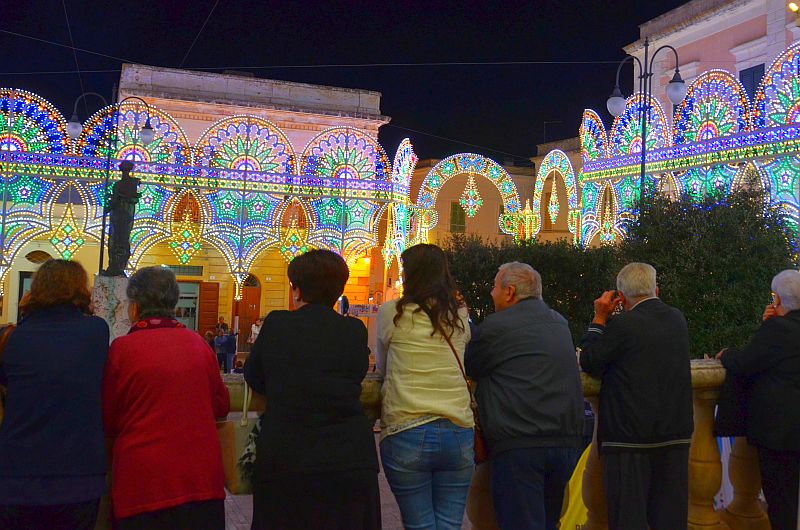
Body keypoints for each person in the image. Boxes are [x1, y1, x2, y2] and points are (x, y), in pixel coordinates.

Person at [244, 249, 380, 529]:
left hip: (287, 454)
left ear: (296, 290)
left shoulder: (278, 324)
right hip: (348, 455)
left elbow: (253, 376)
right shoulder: (353, 330)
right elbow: (356, 374)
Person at [102, 266, 230, 530]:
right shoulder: (199, 345)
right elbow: (221, 405)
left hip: (143, 485)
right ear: (173, 303)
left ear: (135, 307)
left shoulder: (122, 350)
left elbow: (109, 417)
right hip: (200, 482)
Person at [465, 262, 584, 530]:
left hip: (519, 444)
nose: (491, 293)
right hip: (565, 440)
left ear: (509, 292)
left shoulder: (496, 327)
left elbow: (471, 364)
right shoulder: (560, 323)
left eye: (494, 287)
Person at [578, 262, 693, 530]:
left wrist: (599, 319)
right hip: (674, 436)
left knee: (628, 518)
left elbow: (590, 362)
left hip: (629, 441)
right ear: (656, 289)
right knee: (670, 519)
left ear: (621, 297)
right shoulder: (677, 318)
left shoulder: (622, 324)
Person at [0, 259, 109, 530]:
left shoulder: (9, 338)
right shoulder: (96, 332)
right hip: (79, 477)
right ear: (80, 291)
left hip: (17, 477)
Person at [376, 243, 473, 530]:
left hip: (407, 427)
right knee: (449, 524)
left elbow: (382, 367)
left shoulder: (391, 312)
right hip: (458, 428)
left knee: (419, 524)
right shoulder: (459, 315)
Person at [716, 269, 800, 530]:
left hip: (780, 432)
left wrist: (725, 354)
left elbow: (746, 362)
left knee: (781, 501)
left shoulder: (777, 328)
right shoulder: (780, 327)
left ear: (776, 299)